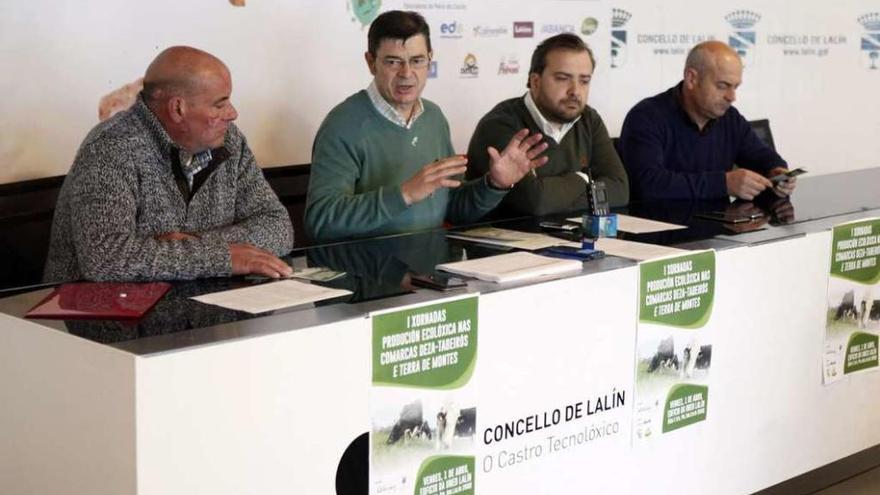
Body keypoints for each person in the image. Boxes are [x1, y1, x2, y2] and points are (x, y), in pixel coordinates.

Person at [44, 46, 294, 282]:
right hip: (93, 320)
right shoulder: (110, 146)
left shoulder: (230, 140)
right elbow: (104, 258)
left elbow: (279, 227)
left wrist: (194, 245)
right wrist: (222, 256)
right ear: (178, 109)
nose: (232, 113)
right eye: (220, 103)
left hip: (196, 310)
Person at [305, 10, 548, 243]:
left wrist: (495, 184)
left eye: (417, 61)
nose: (407, 73)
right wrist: (404, 195)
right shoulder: (342, 125)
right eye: (393, 62)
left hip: (430, 264)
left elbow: (454, 208)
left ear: (430, 61)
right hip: (367, 271)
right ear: (371, 63)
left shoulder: (433, 116)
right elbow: (321, 220)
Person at [466, 33, 629, 216]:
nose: (575, 91)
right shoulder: (501, 124)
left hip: (573, 239)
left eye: (584, 81)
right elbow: (535, 203)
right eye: (562, 78)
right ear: (536, 82)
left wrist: (555, 193)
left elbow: (620, 191)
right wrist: (583, 179)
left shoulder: (589, 120)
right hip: (510, 241)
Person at [619, 41, 797, 201]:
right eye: (722, 86)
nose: (731, 97)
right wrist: (723, 184)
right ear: (692, 79)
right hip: (660, 231)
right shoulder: (646, 117)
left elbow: (764, 158)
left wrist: (778, 173)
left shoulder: (730, 118)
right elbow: (647, 184)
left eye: (735, 87)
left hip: (720, 230)